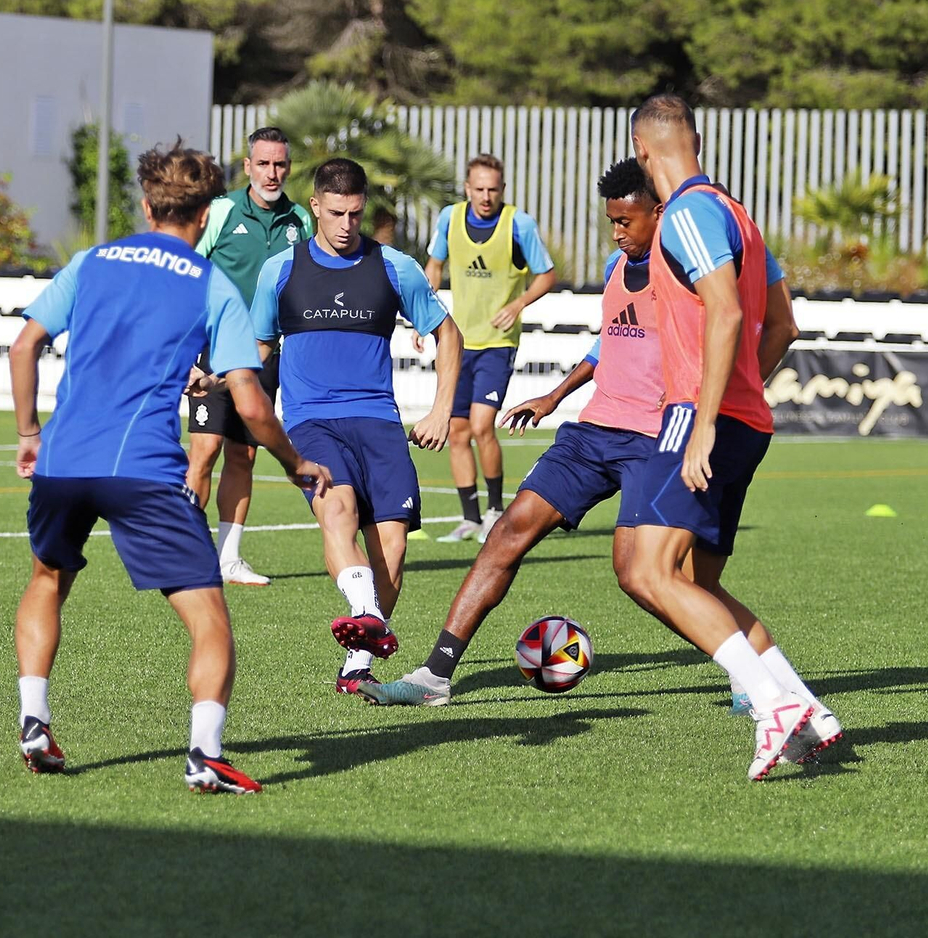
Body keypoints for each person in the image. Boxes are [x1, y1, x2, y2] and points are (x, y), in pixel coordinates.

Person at [9, 141, 330, 793]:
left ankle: (34, 719)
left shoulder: (92, 261)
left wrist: (27, 432)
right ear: (207, 213)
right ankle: (205, 751)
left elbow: (25, 344)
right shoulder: (211, 284)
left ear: (148, 203)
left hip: (64, 460)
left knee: (48, 578)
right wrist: (295, 461)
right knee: (209, 615)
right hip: (145, 470)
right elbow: (250, 401)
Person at [362, 158, 668, 706]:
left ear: (659, 212)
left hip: (655, 437)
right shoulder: (616, 266)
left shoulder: (686, 275)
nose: (618, 232)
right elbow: (610, 345)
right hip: (595, 429)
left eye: (627, 221)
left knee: (639, 574)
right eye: (612, 221)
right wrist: (555, 395)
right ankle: (434, 676)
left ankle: (748, 673)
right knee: (506, 532)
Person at [620, 94, 840, 781]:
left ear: (643, 151)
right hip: (745, 418)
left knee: (642, 569)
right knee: (691, 579)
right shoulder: (737, 212)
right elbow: (783, 326)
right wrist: (740, 393)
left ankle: (770, 701)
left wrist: (706, 418)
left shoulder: (684, 213)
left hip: (701, 416)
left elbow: (725, 308)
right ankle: (805, 707)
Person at [250, 157, 462, 695]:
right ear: (315, 207)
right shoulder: (281, 269)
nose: (347, 224)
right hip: (310, 420)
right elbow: (255, 349)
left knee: (391, 543)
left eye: (356, 213)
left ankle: (356, 666)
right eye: (336, 213)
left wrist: (440, 410)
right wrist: (213, 375)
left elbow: (449, 334)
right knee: (336, 507)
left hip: (379, 421)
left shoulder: (395, 267)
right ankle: (364, 608)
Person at [185, 127, 316, 585]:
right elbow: (188, 272)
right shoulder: (221, 213)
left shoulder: (301, 220)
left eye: (280, 164)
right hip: (213, 350)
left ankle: (228, 559)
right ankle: (187, 553)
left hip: (266, 356)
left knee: (244, 457)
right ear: (247, 167)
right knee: (205, 450)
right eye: (263, 163)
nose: (272, 172)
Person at [419, 154, 557, 543]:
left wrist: (518, 304)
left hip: (497, 343)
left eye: (492, 189)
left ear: (503, 189)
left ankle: (496, 511)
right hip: (459, 341)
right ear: (466, 188)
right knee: (457, 432)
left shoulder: (519, 223)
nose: (485, 196)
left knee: (482, 426)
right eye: (478, 189)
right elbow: (434, 266)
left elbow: (547, 274)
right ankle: (470, 519)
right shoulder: (449, 219)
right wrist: (422, 316)